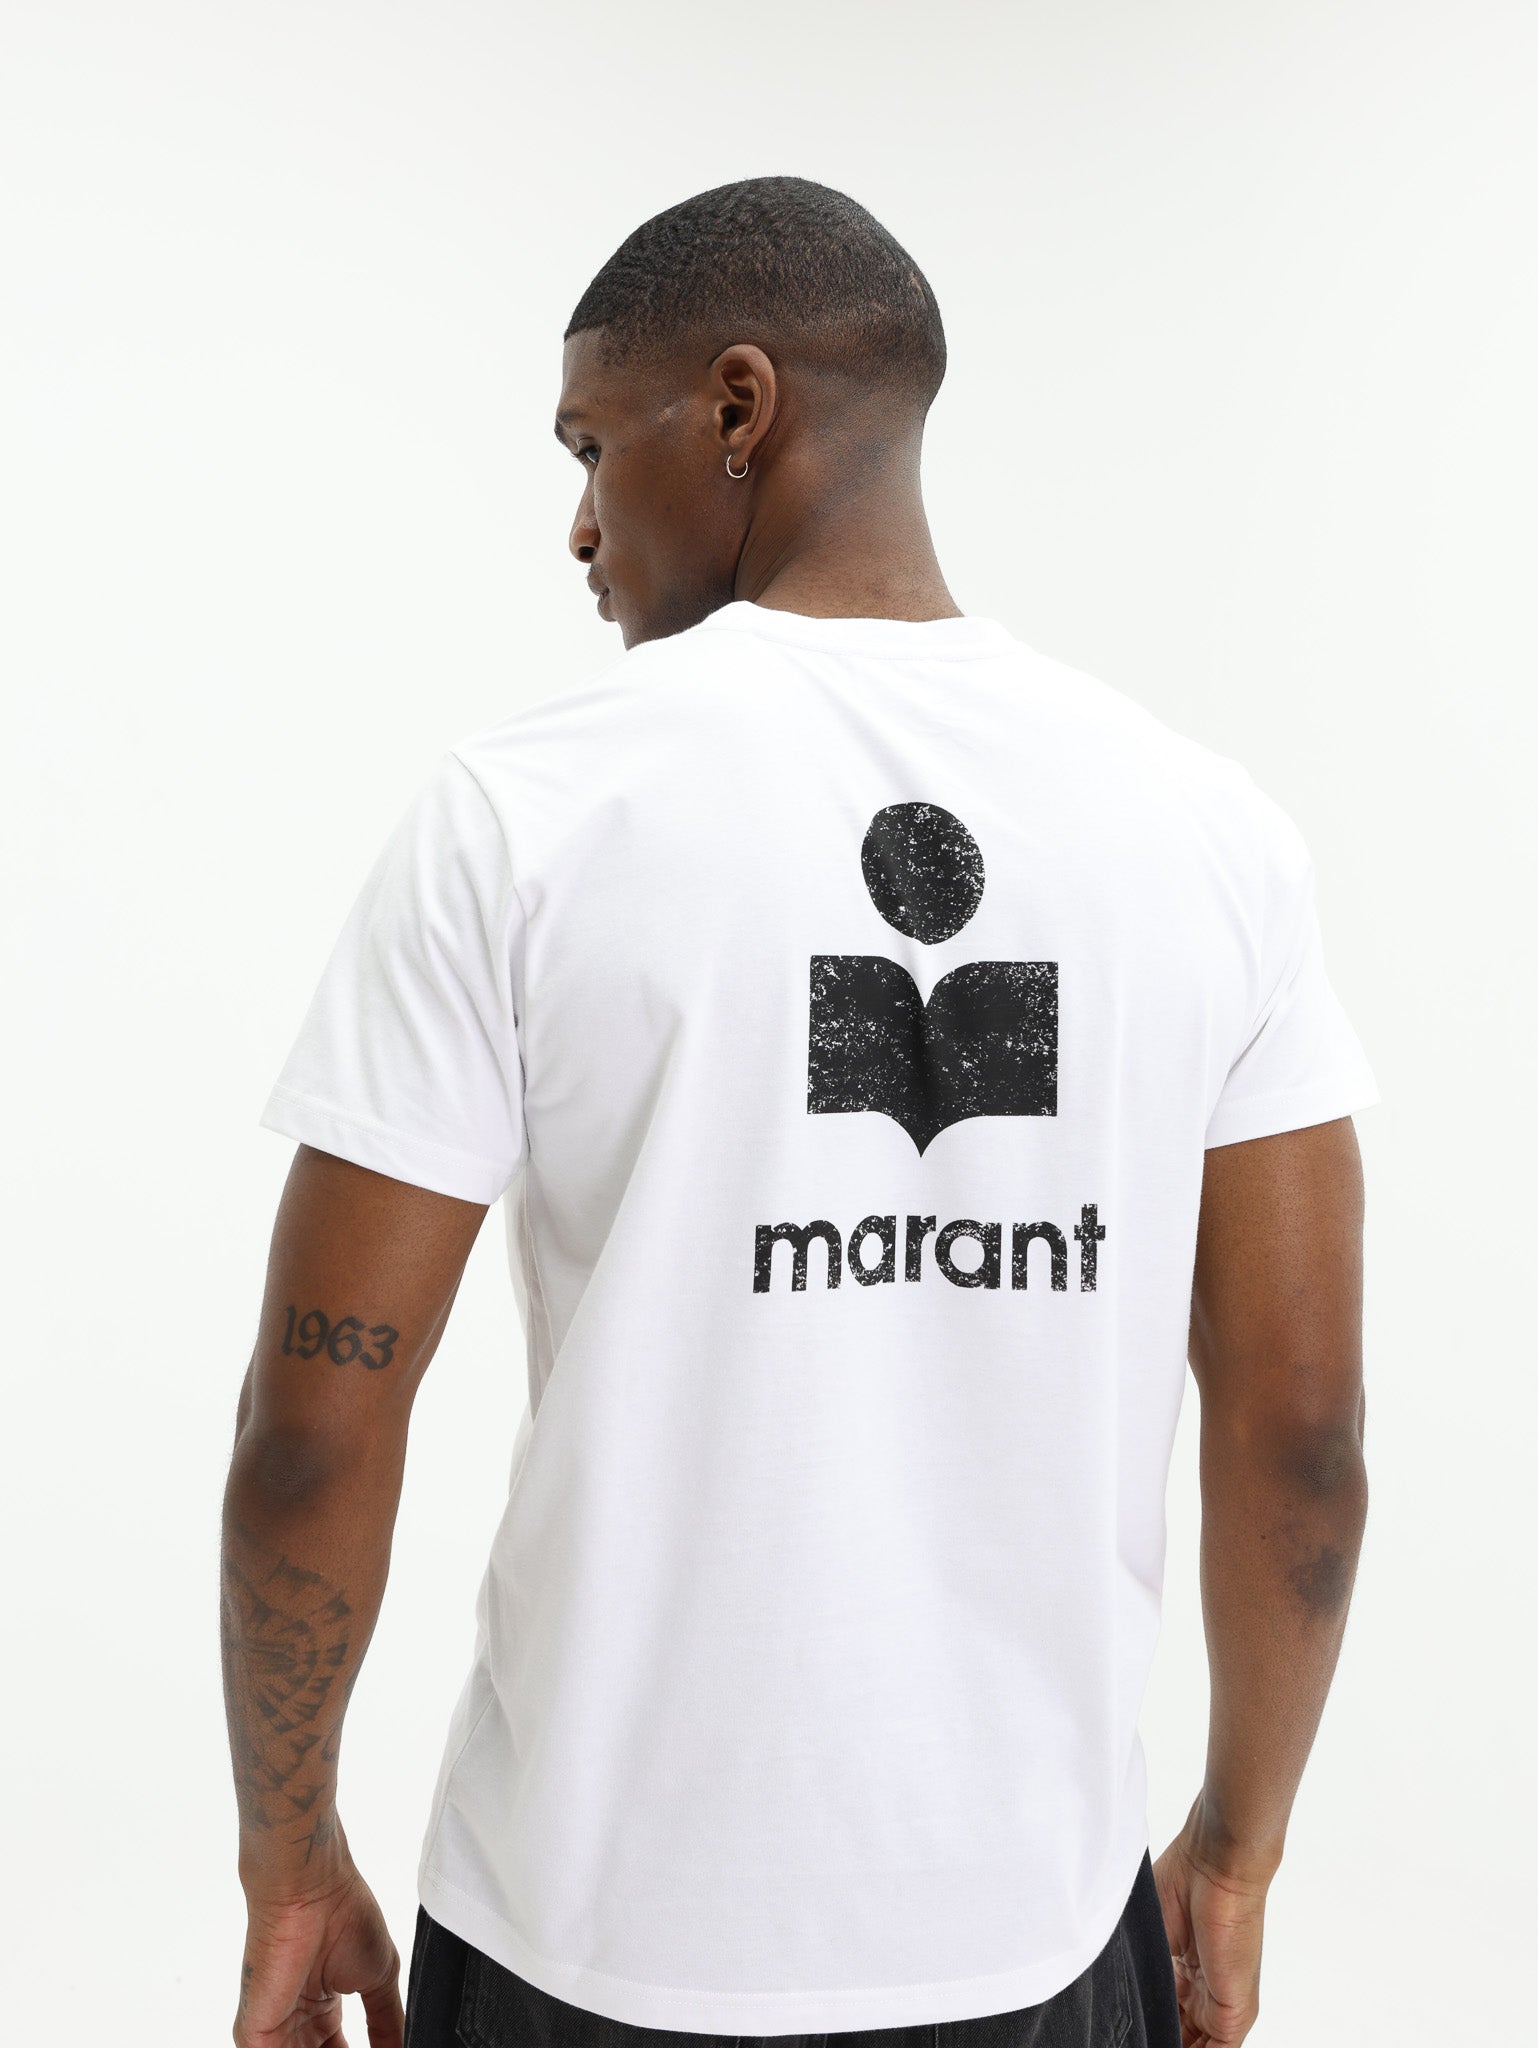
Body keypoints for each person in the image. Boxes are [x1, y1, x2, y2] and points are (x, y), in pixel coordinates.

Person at [221, 176, 1378, 2048]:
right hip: (1030, 1933)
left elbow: (312, 1431)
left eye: (593, 445)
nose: (578, 522)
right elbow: (1301, 1433)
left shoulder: (523, 816)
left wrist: (289, 1861)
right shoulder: (1206, 833)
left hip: (582, 1938)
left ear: (739, 408)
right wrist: (1235, 1853)